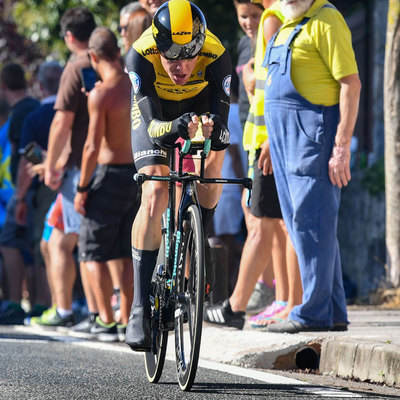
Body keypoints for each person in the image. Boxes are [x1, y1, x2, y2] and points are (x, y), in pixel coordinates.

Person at [124, 0, 231, 351]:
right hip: (156, 113)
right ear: (157, 47)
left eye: (189, 57)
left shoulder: (216, 54)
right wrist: (176, 126)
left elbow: (223, 123)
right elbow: (154, 126)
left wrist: (216, 133)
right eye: (171, 58)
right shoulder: (139, 56)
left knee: (214, 159)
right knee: (155, 185)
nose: (181, 66)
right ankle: (140, 306)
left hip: (198, 107)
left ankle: (199, 237)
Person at [263, 0, 361, 333]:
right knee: (303, 224)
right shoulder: (285, 23)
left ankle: (312, 313)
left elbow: (351, 83)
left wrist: (341, 147)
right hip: (282, 141)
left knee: (312, 223)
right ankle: (332, 311)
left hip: (313, 138)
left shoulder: (327, 20)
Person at [203, 0, 290, 330]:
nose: (251, 22)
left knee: (267, 221)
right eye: (244, 16)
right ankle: (273, 295)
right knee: (264, 220)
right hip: (254, 136)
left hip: (266, 138)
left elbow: (273, 89)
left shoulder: (274, 22)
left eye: (254, 14)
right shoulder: (243, 44)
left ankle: (254, 300)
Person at [73, 27, 138, 342]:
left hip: (109, 174)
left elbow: (91, 147)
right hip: (136, 174)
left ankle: (105, 319)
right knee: (125, 252)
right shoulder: (135, 86)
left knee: (91, 251)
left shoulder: (101, 93)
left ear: (94, 56)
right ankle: (127, 319)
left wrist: (82, 188)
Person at [41, 7, 97, 328]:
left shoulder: (75, 67)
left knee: (68, 241)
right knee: (65, 238)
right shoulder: (105, 62)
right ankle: (91, 310)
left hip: (78, 168)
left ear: (69, 36)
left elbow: (62, 123)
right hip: (94, 161)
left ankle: (76, 311)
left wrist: (51, 166)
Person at [14, 61, 63, 318]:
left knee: (45, 243)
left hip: (44, 187)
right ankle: (70, 302)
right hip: (73, 182)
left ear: (41, 86)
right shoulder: (73, 111)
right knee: (71, 244)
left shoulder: (34, 118)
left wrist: (20, 197)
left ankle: (48, 302)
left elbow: (25, 163)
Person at [0, 63, 40, 324]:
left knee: (10, 244)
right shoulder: (33, 107)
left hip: (21, 190)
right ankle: (35, 302)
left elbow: (23, 156)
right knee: (33, 249)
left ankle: (15, 303)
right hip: (32, 187)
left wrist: (20, 195)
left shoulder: (19, 113)